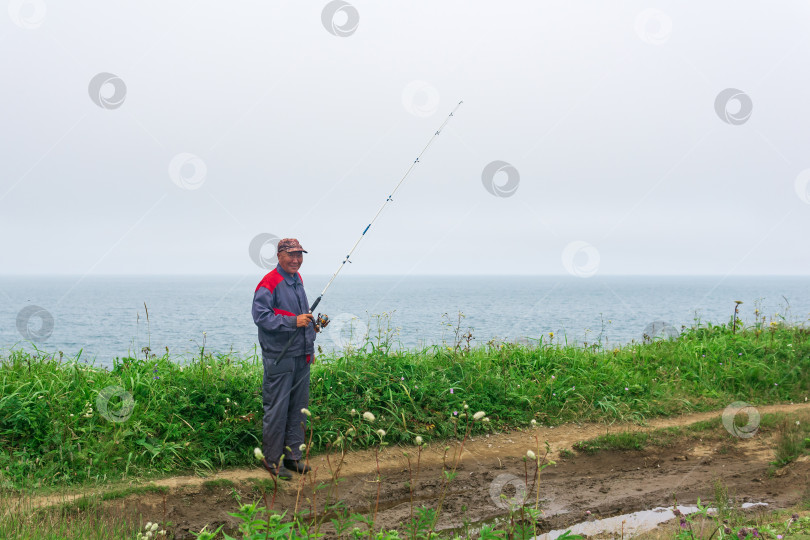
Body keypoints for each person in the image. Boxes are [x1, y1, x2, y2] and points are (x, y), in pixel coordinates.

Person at [252, 238, 318, 479]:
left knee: (298, 408)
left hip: (301, 355)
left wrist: (311, 327)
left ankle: (292, 457)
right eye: (291, 255)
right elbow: (261, 317)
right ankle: (271, 462)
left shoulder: (296, 279)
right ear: (279, 256)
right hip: (280, 358)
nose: (296, 260)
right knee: (277, 409)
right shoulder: (268, 283)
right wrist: (293, 322)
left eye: (299, 255)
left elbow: (301, 316)